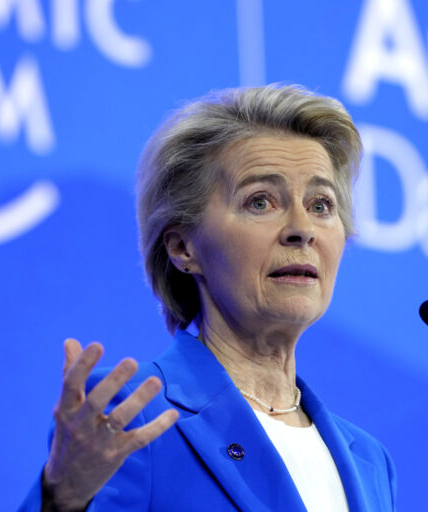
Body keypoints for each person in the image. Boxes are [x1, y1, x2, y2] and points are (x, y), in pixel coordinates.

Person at [19, 85, 397, 511]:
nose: (302, 229)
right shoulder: (131, 416)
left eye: (321, 205)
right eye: (260, 201)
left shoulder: (370, 462)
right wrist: (62, 500)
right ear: (183, 248)